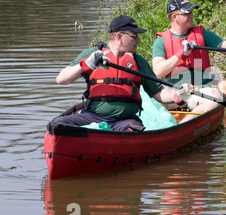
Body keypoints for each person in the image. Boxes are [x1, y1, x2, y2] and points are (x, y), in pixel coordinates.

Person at [53, 15, 191, 131]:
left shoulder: (138, 61)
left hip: (125, 121)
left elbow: (158, 93)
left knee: (133, 131)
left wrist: (177, 95)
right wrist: (86, 64)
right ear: (119, 37)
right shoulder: (91, 55)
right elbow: (61, 79)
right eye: (134, 36)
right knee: (57, 126)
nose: (138, 40)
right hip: (92, 116)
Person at [152, 0, 226, 120]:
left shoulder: (201, 34)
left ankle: (182, 126)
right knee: (148, 99)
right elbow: (158, 72)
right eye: (187, 13)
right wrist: (179, 54)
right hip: (174, 92)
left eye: (192, 12)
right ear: (174, 16)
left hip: (201, 90)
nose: (192, 16)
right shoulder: (161, 41)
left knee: (213, 101)